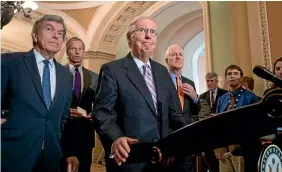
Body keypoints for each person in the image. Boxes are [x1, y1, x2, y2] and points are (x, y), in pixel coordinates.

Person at [92, 16, 186, 172]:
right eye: (142, 30)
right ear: (129, 38)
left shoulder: (162, 71)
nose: (149, 36)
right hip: (130, 159)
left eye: (153, 32)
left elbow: (175, 113)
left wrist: (176, 144)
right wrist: (116, 139)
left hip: (164, 160)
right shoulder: (112, 70)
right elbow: (102, 113)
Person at [1, 14, 79, 172]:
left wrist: (68, 152)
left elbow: (63, 120)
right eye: (49, 29)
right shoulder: (8, 62)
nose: (56, 35)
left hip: (50, 157)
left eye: (61, 33)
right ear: (35, 35)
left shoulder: (65, 75)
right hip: (13, 153)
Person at [62, 37, 99, 172]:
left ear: (83, 52)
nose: (77, 52)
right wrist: (65, 111)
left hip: (85, 135)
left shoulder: (94, 77)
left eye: (80, 49)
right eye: (73, 48)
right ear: (67, 52)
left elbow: (100, 103)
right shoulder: (58, 73)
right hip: (63, 134)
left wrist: (95, 114)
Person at [215, 65, 260, 172]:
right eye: (229, 74)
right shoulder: (222, 99)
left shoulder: (251, 97)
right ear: (226, 78)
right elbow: (217, 124)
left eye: (235, 73)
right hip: (224, 148)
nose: (232, 76)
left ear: (241, 77)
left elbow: (255, 124)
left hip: (244, 148)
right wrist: (218, 149)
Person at [164, 44, 200, 172]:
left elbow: (196, 110)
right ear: (166, 60)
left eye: (181, 54)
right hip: (168, 138)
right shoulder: (160, 81)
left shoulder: (189, 83)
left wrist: (195, 97)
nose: (178, 57)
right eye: (174, 54)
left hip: (186, 139)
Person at [199, 72, 227, 172]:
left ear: (216, 81)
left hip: (221, 131)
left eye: (212, 81)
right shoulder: (202, 96)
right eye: (207, 81)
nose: (209, 83)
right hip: (208, 132)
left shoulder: (225, 94)